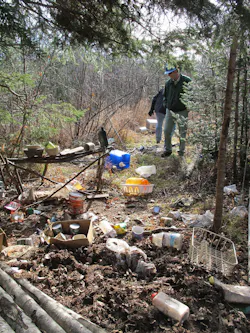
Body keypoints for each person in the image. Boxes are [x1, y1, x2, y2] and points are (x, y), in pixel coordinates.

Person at [161, 64, 192, 157]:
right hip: (170, 111)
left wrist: (188, 106)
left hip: (182, 110)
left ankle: (181, 152)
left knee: (182, 132)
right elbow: (165, 96)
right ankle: (168, 150)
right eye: (168, 73)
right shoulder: (168, 83)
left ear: (176, 71)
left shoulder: (187, 81)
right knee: (166, 130)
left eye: (170, 73)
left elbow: (192, 95)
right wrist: (166, 105)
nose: (169, 75)